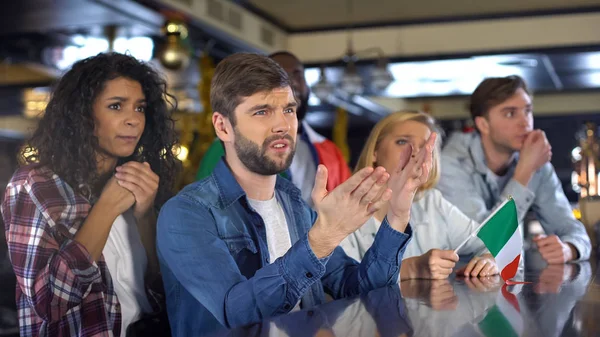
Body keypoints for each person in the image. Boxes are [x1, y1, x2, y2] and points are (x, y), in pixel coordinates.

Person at [156, 53, 435, 336]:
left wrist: (397, 214)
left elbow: (361, 289)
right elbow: (236, 312)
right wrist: (321, 240)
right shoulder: (186, 213)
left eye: (288, 110)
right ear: (223, 126)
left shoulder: (294, 205)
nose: (282, 125)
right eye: (262, 111)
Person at [1, 53, 179, 337]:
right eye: (116, 106)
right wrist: (106, 208)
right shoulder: (34, 184)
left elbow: (165, 291)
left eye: (140, 108)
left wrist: (145, 217)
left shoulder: (136, 181)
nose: (133, 120)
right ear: (83, 114)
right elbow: (50, 304)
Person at [438, 75, 591, 264]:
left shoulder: (536, 163)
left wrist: (569, 249)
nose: (525, 122)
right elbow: (481, 241)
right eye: (510, 113)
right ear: (483, 124)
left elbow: (572, 230)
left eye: (527, 111)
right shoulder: (451, 164)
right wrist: (524, 172)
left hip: (502, 279)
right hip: (454, 281)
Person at [340, 111, 498, 279]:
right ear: (375, 152)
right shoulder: (342, 211)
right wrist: (411, 269)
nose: (415, 152)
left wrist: (491, 260)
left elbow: (496, 243)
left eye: (425, 147)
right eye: (402, 142)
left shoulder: (432, 202)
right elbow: (340, 285)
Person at [195, 51, 351, 206]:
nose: (292, 82)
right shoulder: (226, 147)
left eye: (288, 110)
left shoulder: (329, 151)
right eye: (262, 112)